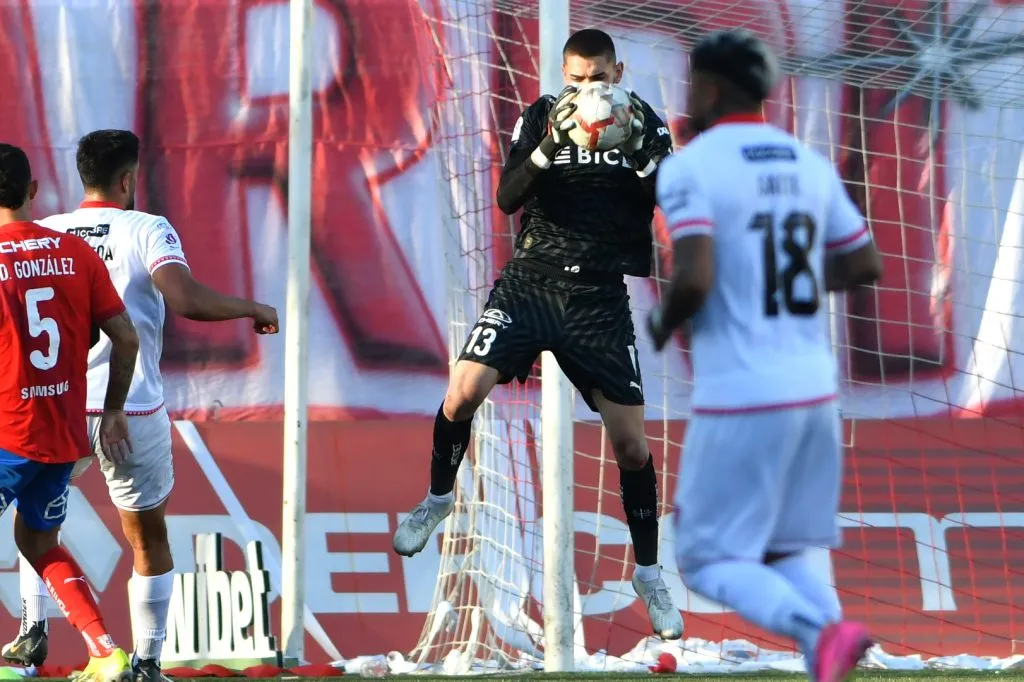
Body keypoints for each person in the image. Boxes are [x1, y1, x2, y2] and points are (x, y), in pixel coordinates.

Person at [391, 28, 683, 639]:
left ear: (619, 72)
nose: (588, 90)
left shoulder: (645, 124)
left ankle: (650, 575)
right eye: (576, 79)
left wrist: (638, 153)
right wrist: (552, 143)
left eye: (598, 79)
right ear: (562, 75)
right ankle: (439, 498)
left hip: (598, 296)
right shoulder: (544, 116)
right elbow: (506, 198)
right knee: (461, 391)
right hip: (531, 281)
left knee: (631, 446)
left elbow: (675, 199)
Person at [648, 29, 883, 682]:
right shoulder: (805, 162)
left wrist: (664, 321)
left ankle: (821, 631)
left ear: (712, 88)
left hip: (744, 396)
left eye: (692, 81)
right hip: (814, 394)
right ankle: (829, 657)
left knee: (703, 558)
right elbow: (863, 261)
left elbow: (693, 276)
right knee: (787, 549)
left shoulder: (691, 165)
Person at [2, 130, 279, 681]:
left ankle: (33, 635)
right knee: (147, 535)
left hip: (50, 406)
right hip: (128, 408)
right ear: (128, 179)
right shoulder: (146, 228)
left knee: (36, 527)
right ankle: (147, 662)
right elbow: (183, 299)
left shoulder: (48, 230)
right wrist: (253, 307)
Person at [0, 143, 141, 680]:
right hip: (61, 434)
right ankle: (105, 652)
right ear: (33, 191)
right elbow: (124, 339)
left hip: (7, 433)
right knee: (38, 541)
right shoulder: (74, 254)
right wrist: (112, 410)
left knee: (37, 541)